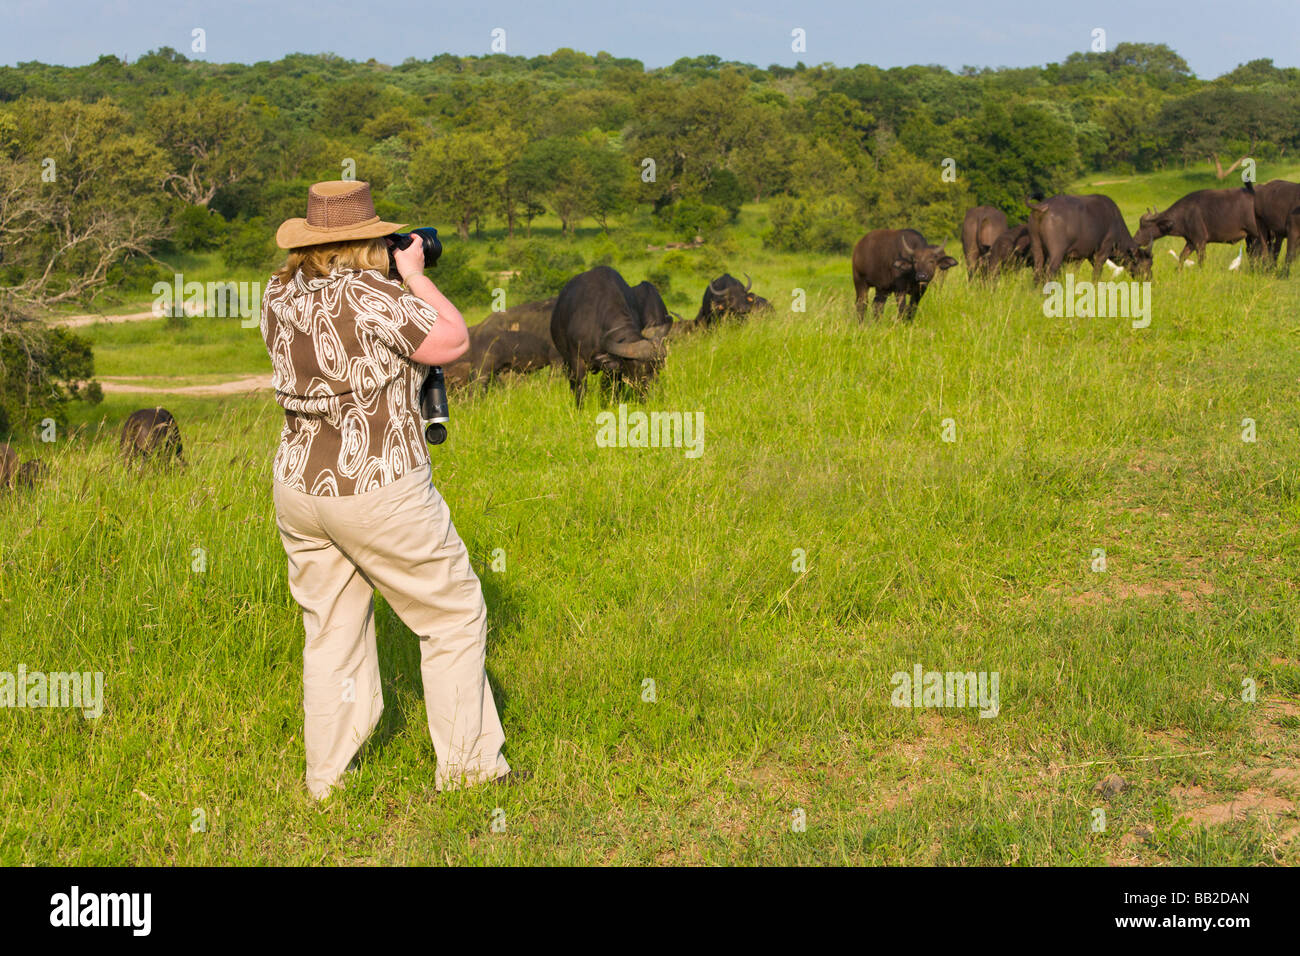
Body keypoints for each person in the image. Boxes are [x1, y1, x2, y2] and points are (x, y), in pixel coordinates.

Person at [261, 180, 513, 799]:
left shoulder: (279, 290)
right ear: (367, 240)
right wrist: (416, 275)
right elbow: (453, 341)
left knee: (331, 630)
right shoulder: (370, 293)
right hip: (376, 483)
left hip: (299, 484)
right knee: (452, 614)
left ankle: (327, 779)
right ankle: (469, 773)